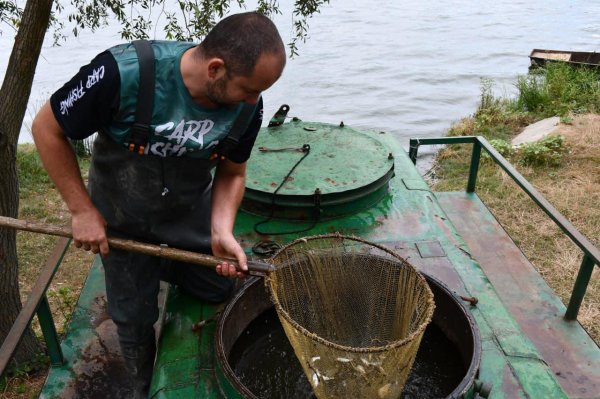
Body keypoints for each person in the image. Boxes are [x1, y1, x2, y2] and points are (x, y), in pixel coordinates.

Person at [31, 12, 286, 398]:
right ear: (215, 69)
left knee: (219, 287)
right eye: (248, 90)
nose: (254, 100)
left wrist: (221, 230)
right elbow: (46, 129)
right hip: (121, 218)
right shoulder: (121, 73)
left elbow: (233, 173)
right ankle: (141, 386)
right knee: (134, 319)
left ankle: (159, 262)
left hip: (187, 214)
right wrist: (82, 211)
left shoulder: (249, 107)